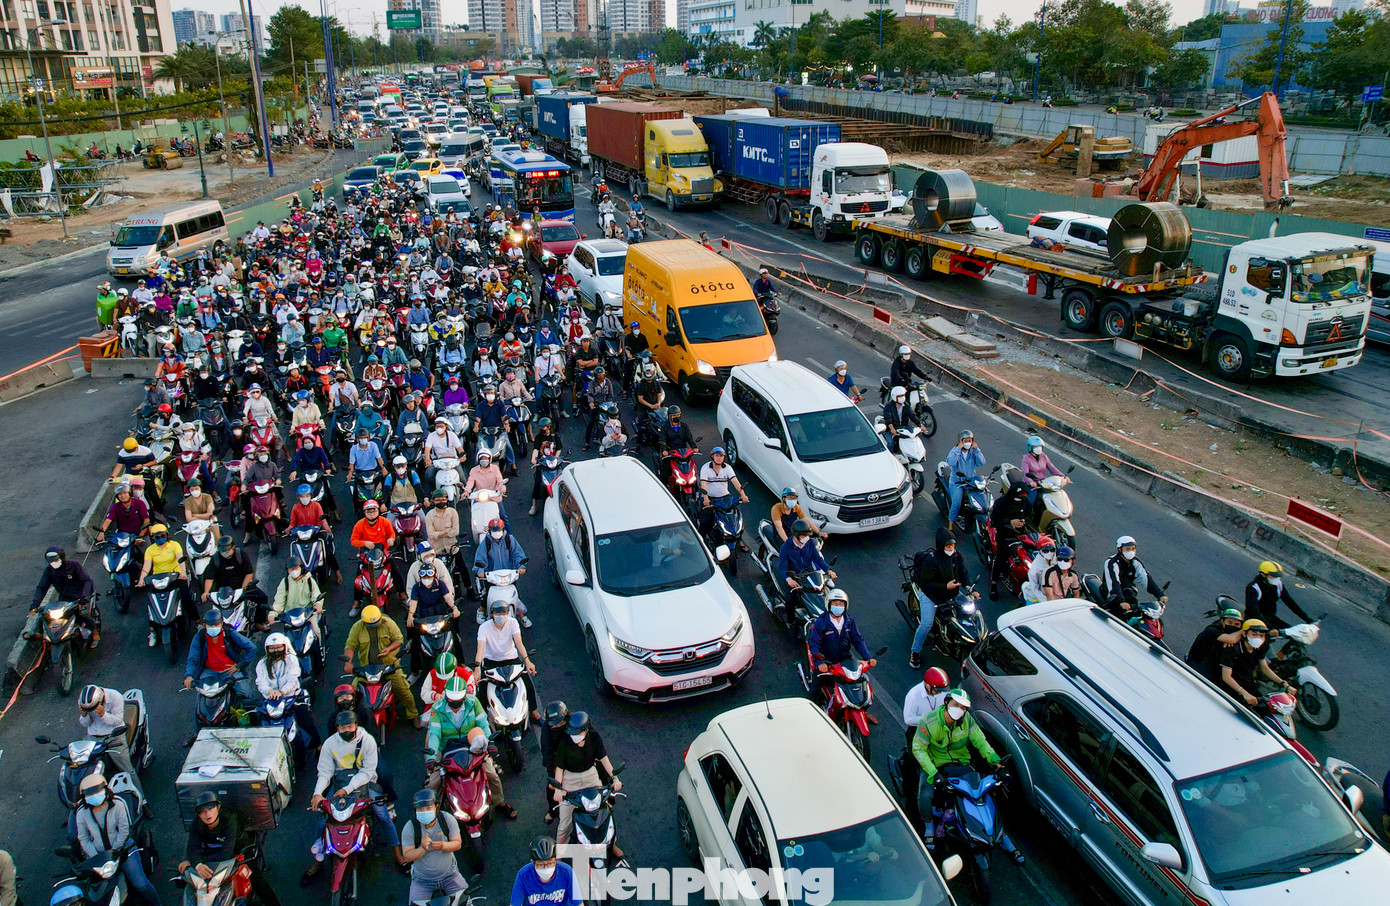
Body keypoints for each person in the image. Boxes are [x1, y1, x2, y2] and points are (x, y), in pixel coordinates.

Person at [302, 711, 406, 885]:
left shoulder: (368, 741)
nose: (347, 730)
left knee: (382, 815)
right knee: (322, 819)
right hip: (339, 784)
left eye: (350, 727)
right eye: (343, 728)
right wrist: (317, 794)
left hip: (365, 783)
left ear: (356, 725)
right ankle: (317, 860)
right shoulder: (329, 744)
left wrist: (346, 789)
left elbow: (368, 772)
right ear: (337, 728)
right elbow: (325, 773)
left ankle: (398, 854)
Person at [911, 690, 1018, 859]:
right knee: (925, 794)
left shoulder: (967, 720)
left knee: (985, 795)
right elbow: (918, 749)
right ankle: (929, 825)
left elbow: (981, 742)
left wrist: (997, 764)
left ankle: (1001, 835)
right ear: (947, 703)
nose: (959, 710)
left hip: (962, 764)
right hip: (934, 765)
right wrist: (933, 772)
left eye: (963, 708)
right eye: (956, 705)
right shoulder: (928, 720)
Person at [424, 678, 517, 819]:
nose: (454, 705)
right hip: (446, 749)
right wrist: (431, 759)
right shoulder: (436, 708)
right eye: (451, 701)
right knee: (434, 782)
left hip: (471, 745)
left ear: (464, 697)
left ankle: (500, 802)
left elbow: (483, 725)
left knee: (492, 774)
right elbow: (434, 735)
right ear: (446, 697)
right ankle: (434, 816)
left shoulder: (474, 702)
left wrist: (490, 743)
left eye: (458, 701)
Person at [182, 792, 282, 906]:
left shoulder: (229, 818)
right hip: (214, 854)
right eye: (202, 812)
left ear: (218, 807)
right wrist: (197, 864)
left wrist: (197, 862)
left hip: (239, 851)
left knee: (258, 881)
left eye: (210, 809)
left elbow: (227, 851)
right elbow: (192, 847)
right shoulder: (197, 823)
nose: (207, 814)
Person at [75, 774, 161, 906]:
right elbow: (84, 838)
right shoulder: (82, 813)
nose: (94, 796)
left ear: (105, 790)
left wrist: (115, 851)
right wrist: (97, 856)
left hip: (123, 850)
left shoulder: (119, 804)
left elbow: (124, 830)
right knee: (95, 892)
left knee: (141, 884)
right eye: (89, 794)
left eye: (97, 791)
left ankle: (157, 903)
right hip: (99, 856)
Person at [552, 711, 623, 858]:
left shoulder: (595, 738)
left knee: (605, 813)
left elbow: (604, 760)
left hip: (591, 775)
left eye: (577, 732)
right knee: (565, 822)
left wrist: (615, 779)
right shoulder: (564, 743)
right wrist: (558, 789)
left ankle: (612, 844)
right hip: (570, 779)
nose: (574, 736)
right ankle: (559, 853)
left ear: (585, 730)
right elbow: (559, 769)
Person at [343, 604, 422, 728]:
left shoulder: (389, 623)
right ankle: (352, 720)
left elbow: (399, 639)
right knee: (352, 693)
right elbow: (350, 645)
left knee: (404, 691)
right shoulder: (357, 628)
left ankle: (413, 714)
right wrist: (348, 662)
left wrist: (389, 649)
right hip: (367, 668)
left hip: (388, 667)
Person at [908, 529, 973, 669]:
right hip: (931, 595)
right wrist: (945, 586)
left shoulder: (956, 556)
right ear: (941, 545)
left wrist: (969, 588)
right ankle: (915, 653)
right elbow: (926, 584)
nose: (952, 549)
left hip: (952, 593)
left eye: (953, 546)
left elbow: (963, 572)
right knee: (926, 624)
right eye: (948, 546)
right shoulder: (931, 560)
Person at [254, 632, 321, 767]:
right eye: (272, 648)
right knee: (257, 720)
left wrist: (282, 691)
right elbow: (260, 682)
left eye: (278, 647)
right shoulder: (262, 664)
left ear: (284, 647)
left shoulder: (292, 660)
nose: (275, 650)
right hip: (272, 701)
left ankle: (318, 746)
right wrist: (269, 691)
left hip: (291, 697)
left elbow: (293, 679)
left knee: (305, 719)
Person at [900, 667, 950, 832]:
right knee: (914, 761)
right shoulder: (914, 695)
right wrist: (929, 719)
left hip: (937, 730)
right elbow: (908, 718)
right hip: (918, 730)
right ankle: (907, 791)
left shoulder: (941, 693)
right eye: (936, 689)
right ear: (928, 685)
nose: (939, 693)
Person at [474, 599, 541, 723]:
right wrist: (477, 668)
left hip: (511, 659)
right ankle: (481, 720)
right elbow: (480, 650)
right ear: (492, 614)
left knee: (527, 683)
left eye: (504, 613)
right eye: (498, 614)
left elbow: (519, 644)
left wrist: (527, 661)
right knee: (482, 688)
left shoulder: (513, 623)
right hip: (491, 661)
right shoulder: (484, 628)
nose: (501, 616)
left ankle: (533, 711)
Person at [399, 789, 468, 903]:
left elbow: (457, 844)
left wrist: (443, 845)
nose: (424, 812)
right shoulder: (410, 827)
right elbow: (407, 856)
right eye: (420, 809)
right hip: (422, 881)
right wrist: (422, 849)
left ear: (436, 806)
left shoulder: (447, 819)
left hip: (450, 876)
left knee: (466, 902)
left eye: (428, 808)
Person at [183, 608, 256, 712]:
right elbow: (192, 658)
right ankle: (199, 728)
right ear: (204, 626)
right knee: (201, 704)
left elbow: (251, 648)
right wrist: (189, 676)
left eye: (216, 625)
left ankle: (252, 719)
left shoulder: (230, 633)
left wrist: (239, 665)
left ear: (222, 624)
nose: (214, 628)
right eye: (210, 626)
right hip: (209, 672)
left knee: (247, 697)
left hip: (230, 671)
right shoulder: (200, 637)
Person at [77, 685, 144, 797]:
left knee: (127, 769)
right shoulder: (83, 701)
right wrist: (84, 715)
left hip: (114, 736)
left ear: (100, 700)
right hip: (94, 737)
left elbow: (117, 721)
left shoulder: (115, 696)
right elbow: (85, 724)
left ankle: (142, 800)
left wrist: (103, 714)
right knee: (85, 767)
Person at [806, 590, 875, 698]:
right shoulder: (821, 622)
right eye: (835, 604)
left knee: (859, 686)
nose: (838, 606)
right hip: (827, 662)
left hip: (845, 661)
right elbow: (814, 644)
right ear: (828, 604)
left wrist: (868, 658)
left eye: (841, 604)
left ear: (845, 605)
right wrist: (820, 663)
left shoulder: (849, 621)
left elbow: (858, 640)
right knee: (814, 691)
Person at [32, 545, 100, 647]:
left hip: (81, 597)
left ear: (62, 558)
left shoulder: (74, 565)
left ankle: (95, 634)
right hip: (64, 599)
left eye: (56, 560)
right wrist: (34, 605)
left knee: (83, 615)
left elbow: (86, 580)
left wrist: (84, 597)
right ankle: (42, 636)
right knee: (47, 618)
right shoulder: (49, 571)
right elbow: (42, 587)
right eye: (51, 562)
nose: (53, 564)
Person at [139, 525, 189, 646]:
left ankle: (197, 622)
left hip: (174, 576)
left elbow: (180, 560)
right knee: (151, 604)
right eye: (157, 537)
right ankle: (153, 631)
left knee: (186, 599)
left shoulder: (174, 545)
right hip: (158, 579)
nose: (160, 538)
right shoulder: (150, 550)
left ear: (166, 535)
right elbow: (146, 567)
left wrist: (182, 572)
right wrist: (141, 580)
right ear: (153, 538)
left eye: (162, 535)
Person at [473, 518, 530, 626]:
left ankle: (522, 616)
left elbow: (517, 554)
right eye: (494, 530)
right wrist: (480, 570)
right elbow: (480, 559)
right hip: (492, 575)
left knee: (516, 595)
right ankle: (481, 610)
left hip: (508, 574)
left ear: (503, 529)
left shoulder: (510, 539)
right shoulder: (486, 542)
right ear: (489, 531)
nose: (496, 533)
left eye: (499, 530)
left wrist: (521, 566)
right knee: (488, 596)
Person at [204, 536, 268, 625]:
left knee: (262, 598)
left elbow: (249, 573)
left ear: (233, 547)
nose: (224, 553)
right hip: (223, 590)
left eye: (227, 550)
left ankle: (259, 622)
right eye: (222, 551)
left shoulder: (241, 555)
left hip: (241, 586)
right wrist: (206, 592)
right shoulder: (215, 559)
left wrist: (243, 589)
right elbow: (209, 578)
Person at [986, 481, 1031, 600]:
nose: (1021, 498)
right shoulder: (1001, 502)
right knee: (1000, 559)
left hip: (1021, 535)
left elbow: (1030, 515)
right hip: (1004, 535)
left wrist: (1023, 521)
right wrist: (1010, 522)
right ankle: (994, 585)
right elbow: (996, 520)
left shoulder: (1025, 502)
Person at [1101, 535, 1166, 614]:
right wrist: (1120, 602)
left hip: (1128, 593)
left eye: (1133, 549)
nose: (1131, 551)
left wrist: (1159, 594)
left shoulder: (1135, 562)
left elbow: (1146, 578)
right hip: (1112, 595)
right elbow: (1114, 583)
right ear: (1119, 549)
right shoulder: (1111, 562)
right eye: (1127, 549)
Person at [511, 836, 581, 906]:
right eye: (541, 865)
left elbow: (578, 904)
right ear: (534, 863)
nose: (546, 868)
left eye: (550, 863)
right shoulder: (523, 875)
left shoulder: (567, 872)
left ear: (556, 861)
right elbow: (515, 904)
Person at [1244, 561, 1312, 631]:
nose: (1276, 579)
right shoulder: (1253, 587)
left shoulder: (1278, 585)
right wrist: (1270, 628)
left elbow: (1290, 603)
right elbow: (1253, 611)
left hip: (1271, 618)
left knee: (1294, 635)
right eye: (1273, 576)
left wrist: (1308, 619)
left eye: (1278, 576)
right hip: (1255, 620)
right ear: (1263, 575)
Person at [1185, 606, 1245, 684]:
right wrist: (1244, 629)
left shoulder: (1233, 634)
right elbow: (1232, 639)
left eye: (1237, 624)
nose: (1233, 626)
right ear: (1222, 621)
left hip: (1214, 668)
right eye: (1230, 622)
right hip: (1198, 665)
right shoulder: (1212, 630)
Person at [698, 446, 748, 538]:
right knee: (705, 520)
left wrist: (743, 495)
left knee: (735, 519)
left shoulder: (728, 468)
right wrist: (706, 499)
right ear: (712, 456)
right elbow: (703, 485)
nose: (719, 458)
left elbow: (735, 482)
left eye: (721, 456)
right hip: (710, 498)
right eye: (717, 455)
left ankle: (739, 540)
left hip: (725, 497)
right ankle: (701, 539)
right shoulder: (705, 468)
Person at [945, 430, 986, 532]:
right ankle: (950, 525)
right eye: (965, 440)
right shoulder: (955, 450)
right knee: (956, 504)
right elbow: (950, 462)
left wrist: (977, 450)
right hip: (957, 483)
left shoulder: (973, 452)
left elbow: (982, 462)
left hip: (970, 482)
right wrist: (958, 450)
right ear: (961, 441)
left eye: (970, 440)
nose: (968, 442)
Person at [881, 386, 922, 454]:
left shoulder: (906, 405)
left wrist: (920, 425)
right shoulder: (889, 406)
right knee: (891, 443)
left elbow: (912, 415)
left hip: (903, 427)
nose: (902, 397)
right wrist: (892, 429)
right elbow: (888, 418)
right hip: (892, 429)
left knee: (913, 438)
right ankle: (891, 456)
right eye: (900, 396)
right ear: (895, 397)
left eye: (903, 395)